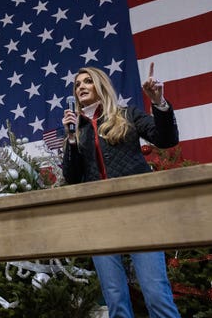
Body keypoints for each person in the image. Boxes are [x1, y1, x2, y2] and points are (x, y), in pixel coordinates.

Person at [61, 64, 180, 318]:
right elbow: (71, 178)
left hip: (138, 211)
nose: (81, 86)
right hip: (99, 218)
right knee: (115, 301)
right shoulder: (78, 130)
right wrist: (70, 140)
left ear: (100, 85)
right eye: (77, 84)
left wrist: (158, 102)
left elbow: (166, 140)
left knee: (156, 294)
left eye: (87, 81)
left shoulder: (127, 114)